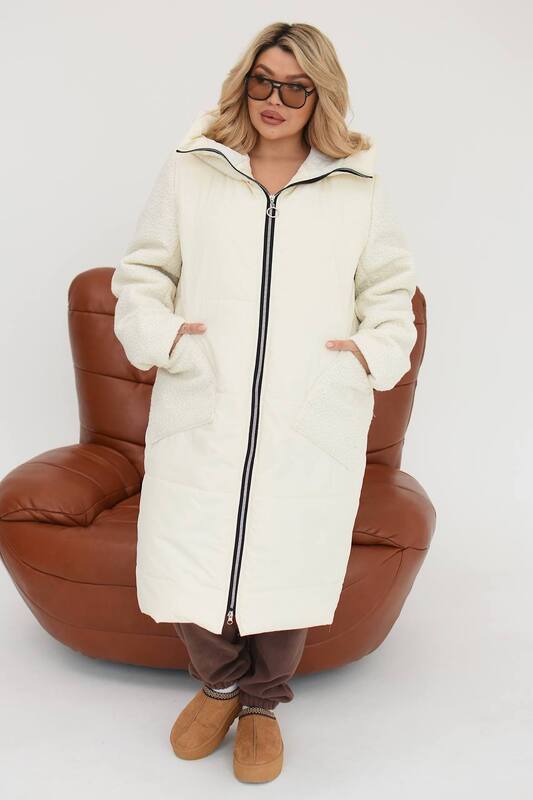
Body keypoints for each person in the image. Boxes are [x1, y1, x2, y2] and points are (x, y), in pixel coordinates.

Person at [111, 21, 417, 784]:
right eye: (262, 81)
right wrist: (166, 339)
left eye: (295, 88)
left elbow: (389, 295)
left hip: (308, 410)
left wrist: (364, 359)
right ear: (243, 82)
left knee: (291, 553)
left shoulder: (357, 188)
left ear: (320, 96)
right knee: (187, 545)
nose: (274, 100)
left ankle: (261, 704)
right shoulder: (193, 169)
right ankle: (218, 684)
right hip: (204, 399)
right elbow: (143, 274)